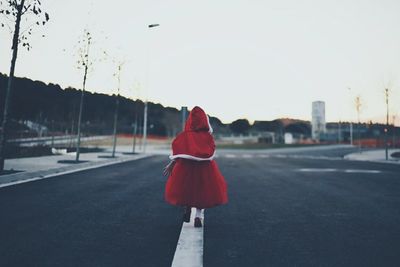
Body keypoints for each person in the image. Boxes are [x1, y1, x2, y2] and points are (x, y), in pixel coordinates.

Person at [163, 106, 228, 227]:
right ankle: (198, 216)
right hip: (204, 169)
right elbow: (211, 152)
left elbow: (179, 152)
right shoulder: (207, 137)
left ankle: (187, 208)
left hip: (186, 168)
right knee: (202, 192)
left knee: (186, 189)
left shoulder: (185, 136)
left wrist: (172, 163)